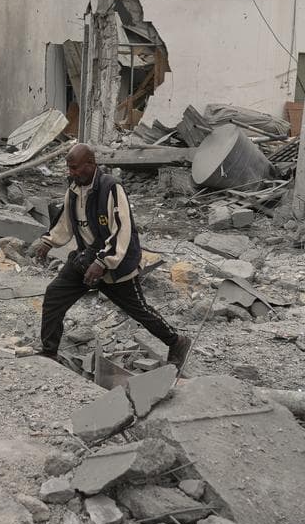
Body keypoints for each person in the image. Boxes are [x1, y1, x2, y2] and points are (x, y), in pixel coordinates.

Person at [32, 144, 193, 373]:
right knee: (54, 295)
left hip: (115, 263)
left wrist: (103, 262)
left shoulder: (111, 188)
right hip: (86, 259)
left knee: (140, 311)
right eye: (69, 168)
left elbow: (122, 230)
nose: (72, 173)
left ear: (91, 164)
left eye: (75, 168)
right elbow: (65, 221)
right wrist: (49, 241)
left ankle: (176, 342)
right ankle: (49, 351)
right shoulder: (74, 188)